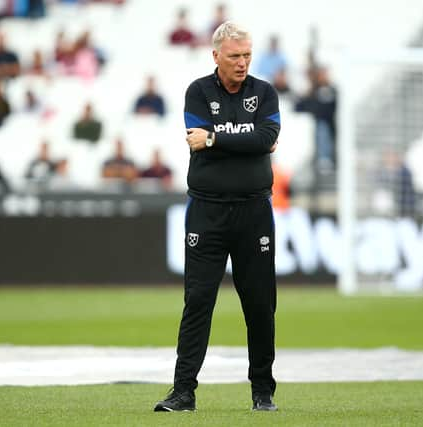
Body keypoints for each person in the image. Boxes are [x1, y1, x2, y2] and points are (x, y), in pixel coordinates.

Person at [153, 21, 280, 413]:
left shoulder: (264, 92)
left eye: (246, 56)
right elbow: (217, 140)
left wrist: (215, 139)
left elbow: (265, 140)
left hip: (254, 212)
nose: (242, 63)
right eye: (234, 56)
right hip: (207, 213)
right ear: (216, 57)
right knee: (198, 301)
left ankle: (263, 392)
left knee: (260, 304)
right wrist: (237, 142)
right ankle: (183, 392)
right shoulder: (197, 91)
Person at [294, 65, 337, 174]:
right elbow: (299, 107)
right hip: (314, 124)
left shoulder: (333, 90)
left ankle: (325, 160)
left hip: (328, 124)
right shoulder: (312, 91)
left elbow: (332, 108)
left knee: (322, 129)